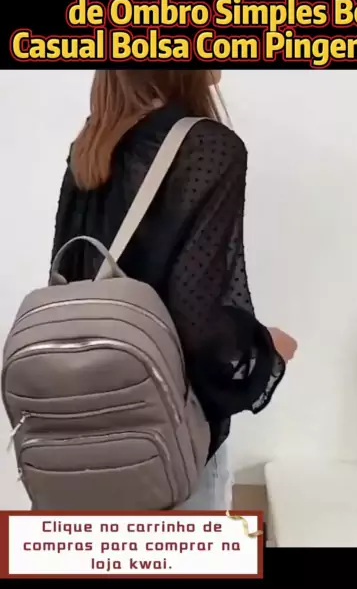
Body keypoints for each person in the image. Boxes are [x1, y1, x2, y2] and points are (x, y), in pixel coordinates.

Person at [50, 69, 297, 511]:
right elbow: (199, 331)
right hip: (169, 445)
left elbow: (67, 292)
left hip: (80, 447)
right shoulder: (207, 146)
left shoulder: (89, 148)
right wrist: (267, 349)